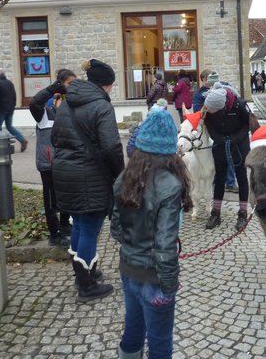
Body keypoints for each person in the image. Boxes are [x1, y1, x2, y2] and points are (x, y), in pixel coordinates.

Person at [111, 108, 192, 359]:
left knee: (133, 331)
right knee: (159, 342)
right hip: (154, 278)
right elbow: (165, 246)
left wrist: (135, 246)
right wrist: (169, 287)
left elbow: (116, 228)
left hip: (128, 270)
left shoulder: (125, 177)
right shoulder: (171, 185)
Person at [51, 59, 125, 302]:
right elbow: (112, 146)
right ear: (105, 85)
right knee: (90, 228)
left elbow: (55, 137)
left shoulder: (66, 102)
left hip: (64, 172)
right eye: (111, 86)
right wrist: (120, 175)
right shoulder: (101, 106)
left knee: (79, 224)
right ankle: (86, 286)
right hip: (89, 175)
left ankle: (84, 272)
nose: (111, 90)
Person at [29, 68, 77, 248]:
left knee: (65, 195)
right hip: (48, 164)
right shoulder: (44, 114)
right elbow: (34, 103)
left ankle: (65, 226)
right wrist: (51, 89)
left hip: (65, 162)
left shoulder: (68, 113)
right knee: (50, 200)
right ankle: (54, 233)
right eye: (68, 85)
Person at [203, 82, 250, 231]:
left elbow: (247, 124)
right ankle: (215, 213)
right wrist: (218, 138)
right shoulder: (210, 108)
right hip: (220, 143)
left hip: (239, 144)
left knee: (241, 177)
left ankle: (242, 213)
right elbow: (208, 123)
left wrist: (235, 138)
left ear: (222, 106)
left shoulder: (239, 105)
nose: (208, 111)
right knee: (220, 179)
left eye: (212, 110)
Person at [202, 71, 239, 193]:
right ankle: (219, 180)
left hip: (227, 132)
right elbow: (201, 112)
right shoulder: (201, 94)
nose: (209, 85)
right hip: (213, 132)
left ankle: (229, 182)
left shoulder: (228, 96)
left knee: (229, 156)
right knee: (219, 156)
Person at [0, 68, 28, 152]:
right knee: (9, 126)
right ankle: (22, 140)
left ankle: (0, 146)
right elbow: (14, 95)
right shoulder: (9, 83)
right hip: (10, 109)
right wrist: (13, 106)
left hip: (1, 109)